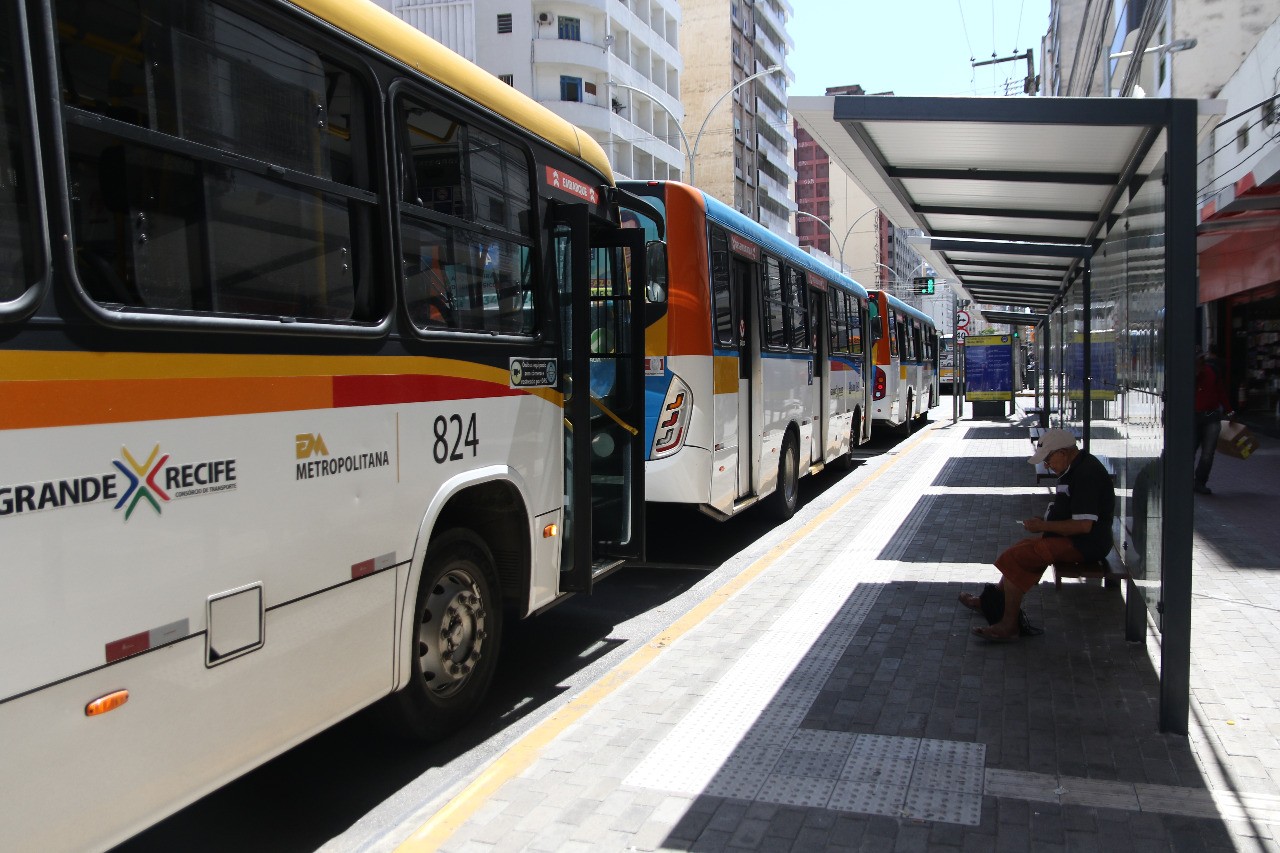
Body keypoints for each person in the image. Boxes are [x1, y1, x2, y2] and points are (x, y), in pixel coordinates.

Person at [960, 428, 1116, 641]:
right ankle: (991, 602)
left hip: (1087, 544)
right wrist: (1045, 523)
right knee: (1021, 551)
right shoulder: (1072, 469)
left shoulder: (1085, 475)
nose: (1048, 466)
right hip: (1076, 539)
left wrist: (1044, 527)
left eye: (1049, 459)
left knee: (1020, 557)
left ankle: (1009, 625)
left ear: (1063, 452)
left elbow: (1083, 526)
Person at [1193, 347, 1235, 495]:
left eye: (1200, 359)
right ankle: (1185, 481)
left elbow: (1220, 391)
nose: (1199, 362)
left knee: (1208, 453)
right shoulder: (1187, 374)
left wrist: (1229, 410)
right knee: (1189, 451)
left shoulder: (1212, 372)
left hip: (1211, 417)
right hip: (1192, 417)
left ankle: (1200, 482)